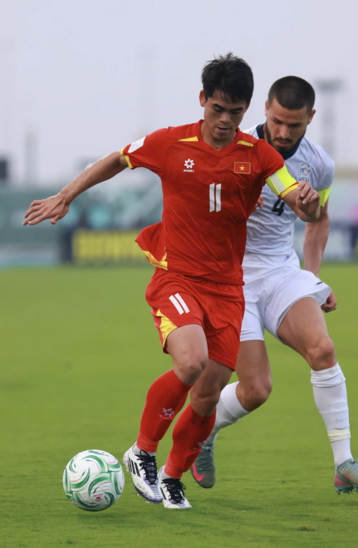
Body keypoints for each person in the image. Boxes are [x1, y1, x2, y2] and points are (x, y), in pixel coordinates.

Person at [23, 54, 321, 509]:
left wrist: (309, 203)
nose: (225, 121)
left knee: (208, 393)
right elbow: (118, 159)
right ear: (202, 100)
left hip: (229, 290)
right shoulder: (170, 142)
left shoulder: (259, 155)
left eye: (235, 112)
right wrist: (66, 195)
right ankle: (142, 451)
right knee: (191, 361)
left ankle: (172, 476)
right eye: (217, 109)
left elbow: (295, 197)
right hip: (177, 277)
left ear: (247, 110)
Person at [191, 76, 358, 495]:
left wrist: (313, 277)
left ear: (310, 117)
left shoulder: (320, 165)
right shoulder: (233, 147)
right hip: (232, 277)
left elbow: (318, 220)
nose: (282, 132)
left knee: (323, 349)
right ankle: (203, 433)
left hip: (280, 271)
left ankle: (344, 462)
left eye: (293, 125)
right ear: (264, 109)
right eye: (276, 121)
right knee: (256, 390)